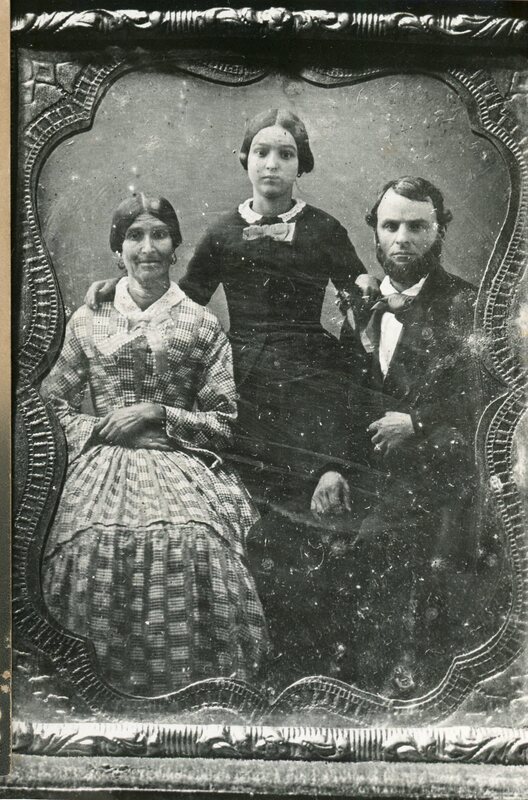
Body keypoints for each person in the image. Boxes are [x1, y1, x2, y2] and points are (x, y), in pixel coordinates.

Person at [85, 110, 378, 679]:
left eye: (286, 154)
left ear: (301, 164)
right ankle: (251, 652)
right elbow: (181, 297)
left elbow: (360, 296)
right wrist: (119, 285)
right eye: (262, 152)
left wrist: (364, 294)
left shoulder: (324, 228)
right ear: (246, 160)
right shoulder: (222, 231)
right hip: (240, 381)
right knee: (248, 519)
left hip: (312, 382)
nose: (273, 164)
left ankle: (314, 657)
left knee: (314, 516)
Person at [40, 193, 267, 697]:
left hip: (178, 459)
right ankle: (93, 691)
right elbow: (49, 406)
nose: (148, 247)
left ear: (176, 247)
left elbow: (224, 422)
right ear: (117, 249)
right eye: (135, 236)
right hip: (100, 464)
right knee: (89, 544)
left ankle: (198, 691)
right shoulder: (88, 318)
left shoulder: (201, 324)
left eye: (159, 235)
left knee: (194, 542)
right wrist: (106, 428)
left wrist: (158, 414)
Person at [314, 176, 492, 694]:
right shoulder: (361, 305)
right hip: (370, 479)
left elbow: (490, 400)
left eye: (417, 227)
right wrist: (331, 466)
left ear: (440, 232)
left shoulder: (467, 305)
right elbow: (346, 400)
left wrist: (417, 423)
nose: (402, 239)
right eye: (391, 226)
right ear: (375, 232)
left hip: (440, 482)